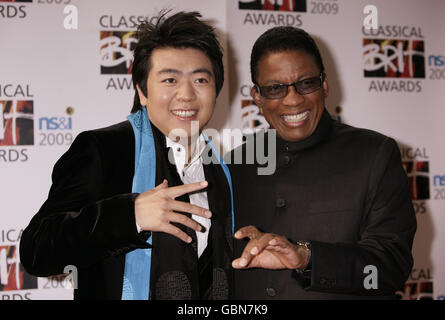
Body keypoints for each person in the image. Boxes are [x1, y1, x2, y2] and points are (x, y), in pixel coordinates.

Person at [20, 11, 233, 300]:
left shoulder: (221, 170)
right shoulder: (103, 150)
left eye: (200, 80)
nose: (186, 94)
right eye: (170, 80)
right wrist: (129, 216)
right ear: (142, 92)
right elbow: (37, 250)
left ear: (216, 90)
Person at [229, 26, 417, 299]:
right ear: (257, 97)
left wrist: (307, 257)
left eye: (306, 83)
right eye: (275, 88)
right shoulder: (235, 164)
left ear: (324, 84)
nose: (293, 99)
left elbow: (390, 269)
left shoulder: (375, 154)